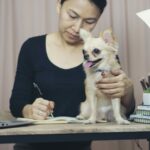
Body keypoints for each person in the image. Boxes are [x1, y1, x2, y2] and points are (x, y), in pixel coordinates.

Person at [9, 0, 135, 150]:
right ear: (58, 6)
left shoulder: (104, 54)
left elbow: (124, 110)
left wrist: (128, 92)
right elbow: (16, 103)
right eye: (72, 15)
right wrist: (29, 110)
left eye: (89, 21)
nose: (77, 28)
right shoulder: (32, 48)